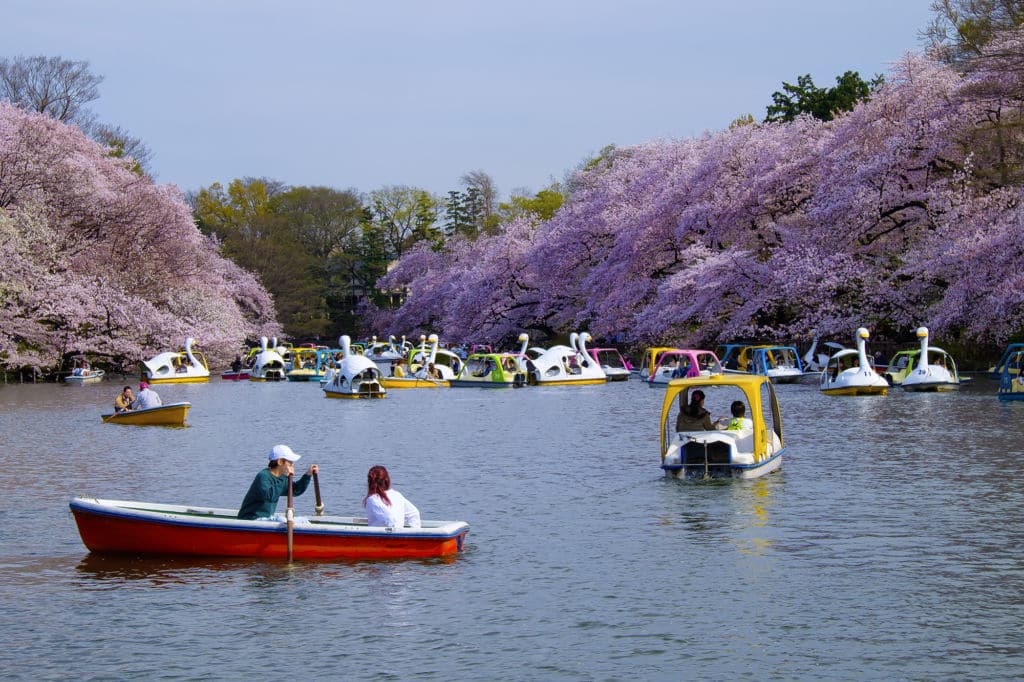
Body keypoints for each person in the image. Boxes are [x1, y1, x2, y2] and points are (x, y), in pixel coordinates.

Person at [237, 444, 319, 520]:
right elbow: (269, 495)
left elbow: (296, 490)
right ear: (280, 462)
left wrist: (308, 475)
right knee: (282, 520)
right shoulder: (263, 476)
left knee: (302, 521)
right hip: (251, 518)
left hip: (265, 519)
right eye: (289, 462)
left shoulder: (282, 478)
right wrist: (285, 476)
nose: (292, 464)